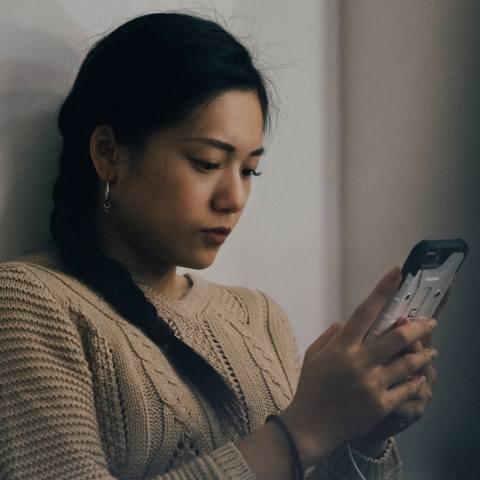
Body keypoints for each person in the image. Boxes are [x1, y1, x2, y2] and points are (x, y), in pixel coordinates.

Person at [0, 11, 443, 480]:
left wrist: (363, 434)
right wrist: (302, 430)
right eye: (206, 162)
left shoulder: (258, 317)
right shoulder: (31, 303)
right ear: (109, 153)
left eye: (249, 170)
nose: (234, 199)